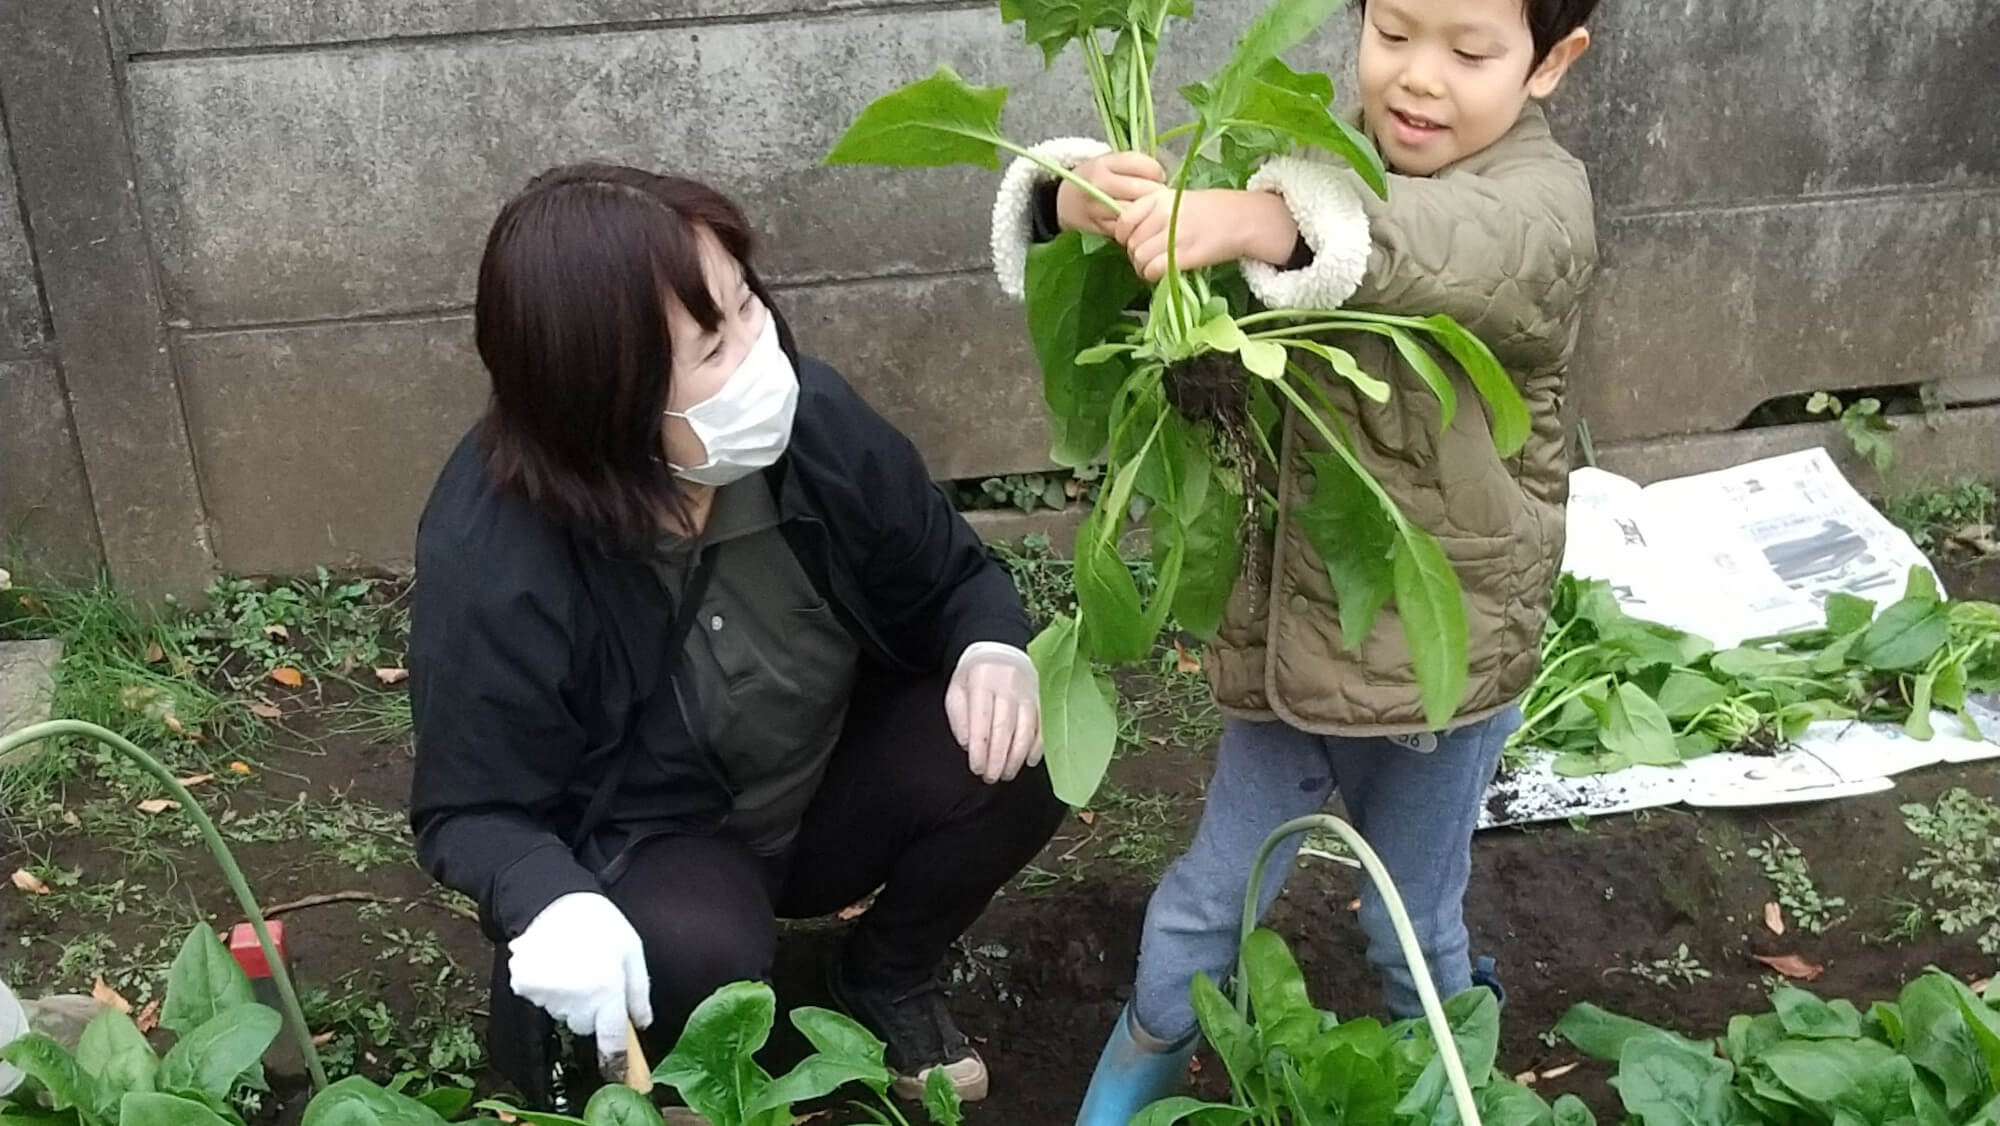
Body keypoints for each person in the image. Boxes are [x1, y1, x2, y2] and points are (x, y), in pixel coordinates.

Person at [989, 0, 1601, 1118]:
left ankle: (1450, 1076)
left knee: (1404, 917)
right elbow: (1197, 247)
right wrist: (1080, 202)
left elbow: (1449, 251)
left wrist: (1262, 221)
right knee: (1204, 902)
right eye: (1394, 33)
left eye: (1468, 53)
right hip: (1289, 648)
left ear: (1550, 63)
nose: (1419, 79)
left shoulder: (1541, 207)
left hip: (1434, 665)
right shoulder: (1310, 153)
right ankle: (1137, 1074)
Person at [409, 164, 1066, 1105]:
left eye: (747, 305)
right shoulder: (498, 551)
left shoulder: (811, 427)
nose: (761, 356)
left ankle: (882, 973)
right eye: (713, 349)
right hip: (666, 839)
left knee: (1025, 743)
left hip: (830, 784)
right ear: (608, 401)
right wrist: (546, 899)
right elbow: (470, 807)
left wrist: (992, 644)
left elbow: (951, 579)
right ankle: (630, 1058)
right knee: (696, 954)